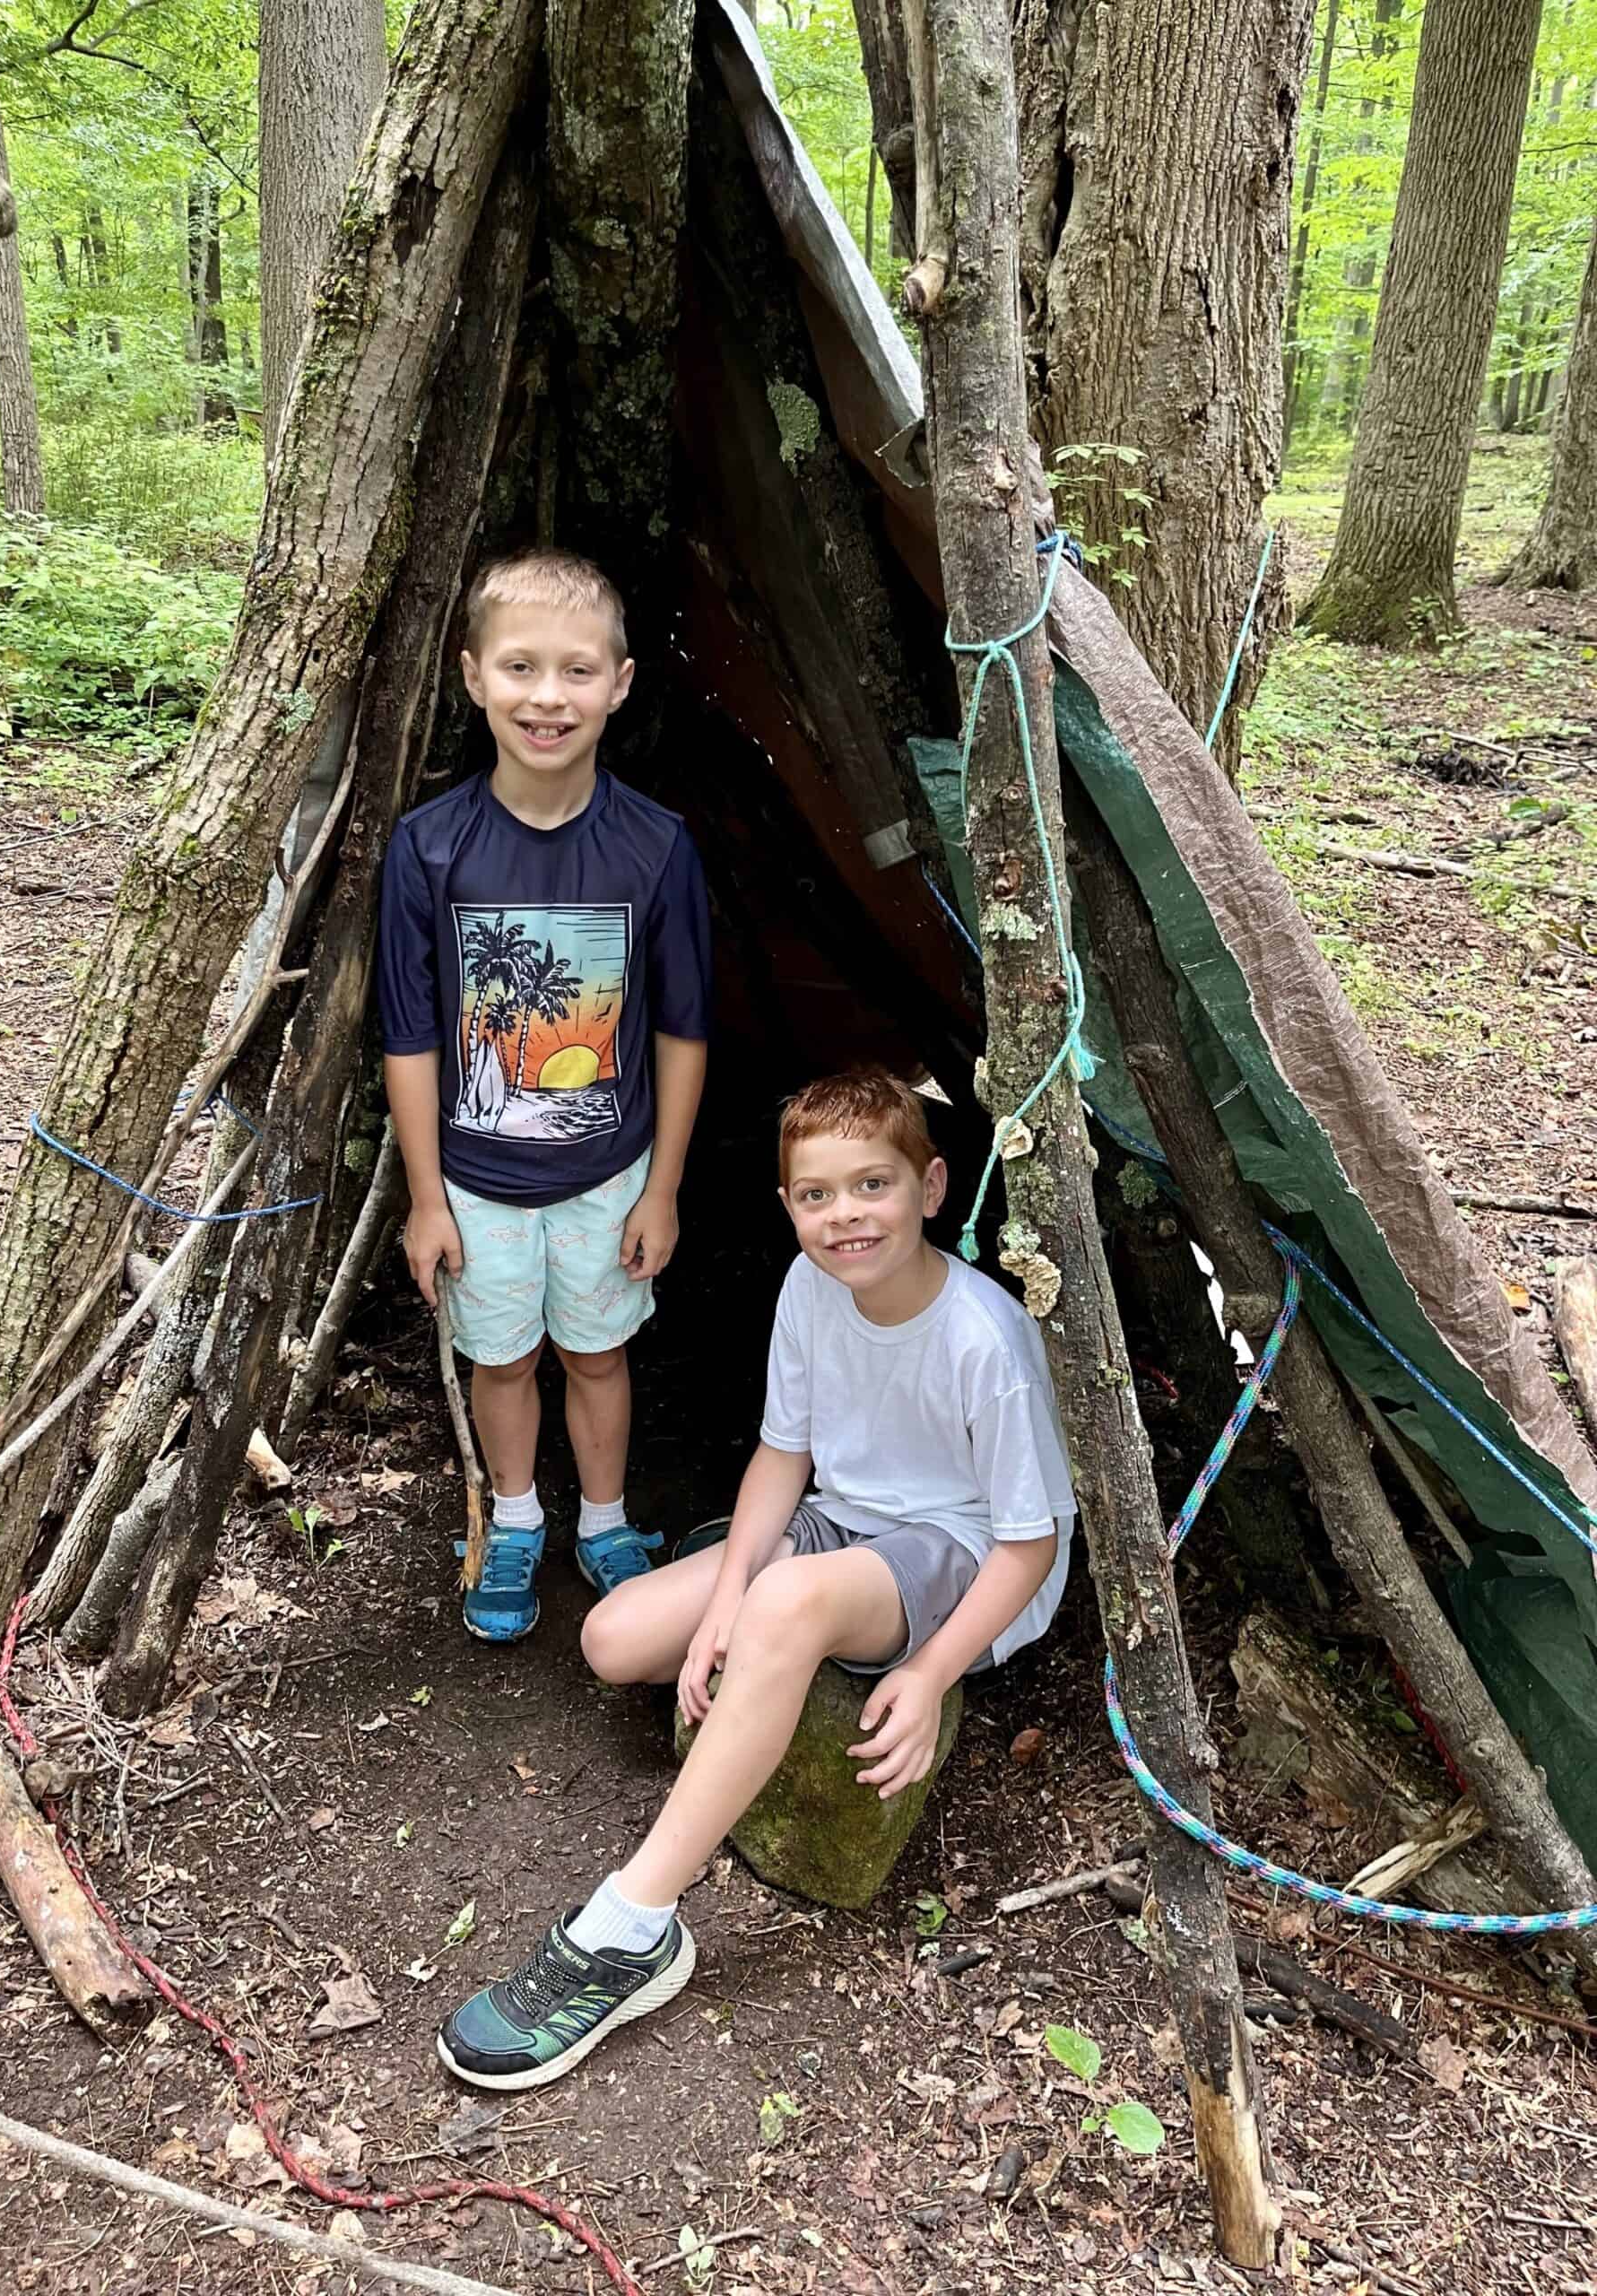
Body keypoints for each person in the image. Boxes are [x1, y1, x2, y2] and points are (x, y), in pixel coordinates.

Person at [438, 1069, 1077, 2090]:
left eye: (873, 1185)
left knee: (783, 1601)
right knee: (616, 1637)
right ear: (787, 1206)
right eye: (817, 1195)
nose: (846, 1216)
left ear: (933, 1185)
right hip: (843, 1522)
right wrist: (724, 1598)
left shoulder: (982, 1338)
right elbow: (784, 1453)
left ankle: (634, 1922)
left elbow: (1029, 1545)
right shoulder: (813, 1289)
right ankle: (766, 1607)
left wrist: (930, 1672)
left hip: (956, 1551)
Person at [378, 548, 711, 1642]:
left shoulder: (655, 846)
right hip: (475, 1182)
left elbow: (680, 1029)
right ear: (474, 677)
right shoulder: (430, 850)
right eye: (520, 667)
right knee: (504, 1356)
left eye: (577, 671)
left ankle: (606, 1521)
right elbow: (414, 1035)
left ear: (619, 684)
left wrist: (660, 1187)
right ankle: (515, 1517)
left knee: (599, 1352)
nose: (547, 697)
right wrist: (427, 1197)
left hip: (605, 1174)